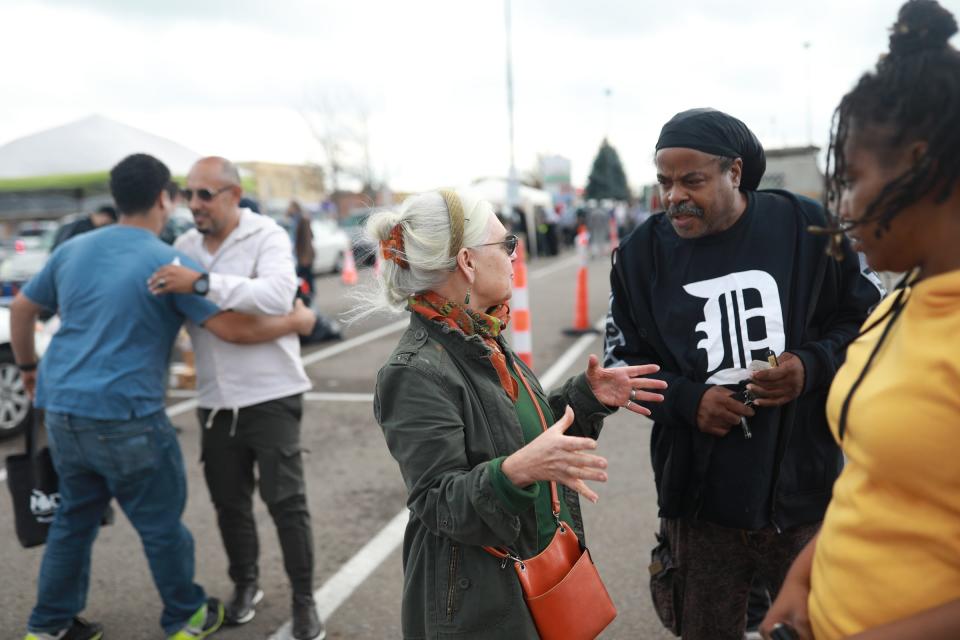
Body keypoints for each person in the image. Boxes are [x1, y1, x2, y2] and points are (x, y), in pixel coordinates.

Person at [10, 153, 317, 640]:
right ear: (163, 199)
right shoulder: (168, 259)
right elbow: (231, 330)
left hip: (63, 409)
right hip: (125, 412)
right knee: (159, 523)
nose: (191, 203)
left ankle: (47, 627)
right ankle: (185, 616)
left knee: (73, 519)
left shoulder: (74, 249)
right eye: (184, 194)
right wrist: (300, 322)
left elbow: (23, 309)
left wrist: (28, 370)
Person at [603, 108, 884, 640]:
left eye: (692, 180)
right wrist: (688, 401)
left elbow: (873, 317)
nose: (674, 196)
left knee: (826, 625)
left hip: (804, 487)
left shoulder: (806, 228)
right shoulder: (640, 257)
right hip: (700, 500)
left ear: (734, 172)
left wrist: (811, 364)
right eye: (664, 182)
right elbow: (622, 365)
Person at [367, 188, 668, 638]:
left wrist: (586, 397)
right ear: (468, 262)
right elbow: (437, 501)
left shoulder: (480, 332)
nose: (514, 255)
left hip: (525, 574)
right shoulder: (414, 371)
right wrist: (514, 473)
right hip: (479, 606)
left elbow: (517, 434)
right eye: (506, 244)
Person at [761, 2, 960, 639]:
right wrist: (804, 578)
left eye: (849, 180)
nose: (840, 206)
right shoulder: (899, 301)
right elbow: (875, 485)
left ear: (923, 165)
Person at [147, 158, 323, 639]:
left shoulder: (264, 234)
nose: (195, 204)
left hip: (272, 392)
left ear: (233, 193)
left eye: (206, 194)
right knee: (229, 502)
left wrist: (203, 283)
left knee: (287, 502)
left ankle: (305, 601)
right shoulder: (183, 246)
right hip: (215, 399)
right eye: (188, 194)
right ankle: (246, 584)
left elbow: (278, 294)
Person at [51, 205, 117, 250]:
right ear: (104, 216)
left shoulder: (79, 221)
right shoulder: (82, 226)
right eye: (109, 221)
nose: (107, 224)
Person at [287, 200, 316, 299]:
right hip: (303, 255)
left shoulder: (302, 219)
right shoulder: (297, 219)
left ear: (294, 207)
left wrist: (305, 258)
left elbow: (307, 239)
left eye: (290, 206)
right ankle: (308, 295)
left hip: (305, 256)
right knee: (306, 276)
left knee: (304, 276)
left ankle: (309, 296)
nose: (288, 209)